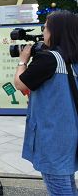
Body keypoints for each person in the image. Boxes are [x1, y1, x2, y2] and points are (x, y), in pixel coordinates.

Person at [14, 11, 78, 195]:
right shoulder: (72, 59)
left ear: (56, 31)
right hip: (69, 133)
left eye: (46, 27)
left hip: (53, 137)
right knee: (67, 183)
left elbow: (20, 83)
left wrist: (22, 61)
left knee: (59, 188)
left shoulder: (49, 59)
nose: (43, 31)